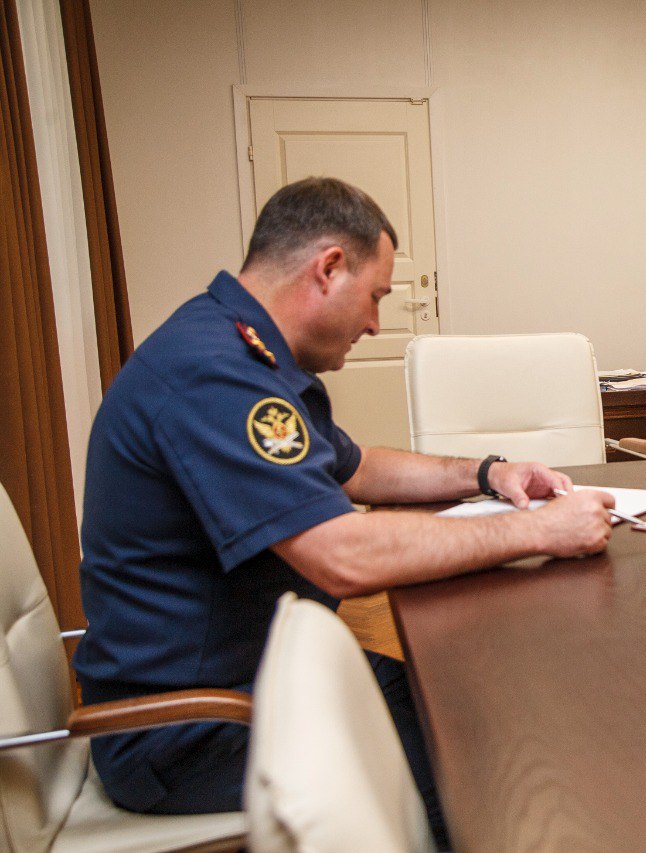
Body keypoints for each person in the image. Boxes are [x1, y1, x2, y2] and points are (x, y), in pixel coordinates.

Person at [73, 177, 615, 843]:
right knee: (475, 766)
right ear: (329, 268)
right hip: (188, 731)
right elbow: (342, 556)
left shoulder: (241, 351)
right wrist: (539, 530)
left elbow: (355, 466)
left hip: (252, 679)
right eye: (377, 296)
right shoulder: (214, 376)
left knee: (468, 704)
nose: (376, 324)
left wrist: (487, 473)